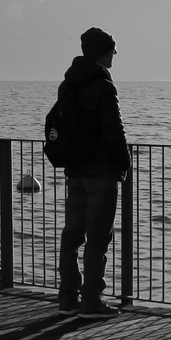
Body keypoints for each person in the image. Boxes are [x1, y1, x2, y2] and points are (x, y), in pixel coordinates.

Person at [56, 26, 129, 319]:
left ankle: (67, 297)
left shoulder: (68, 84)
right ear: (102, 51)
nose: (114, 54)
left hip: (75, 169)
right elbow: (114, 130)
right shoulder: (103, 85)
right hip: (101, 171)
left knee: (72, 234)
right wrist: (124, 162)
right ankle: (92, 300)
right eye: (112, 49)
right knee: (99, 236)